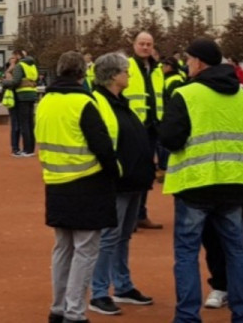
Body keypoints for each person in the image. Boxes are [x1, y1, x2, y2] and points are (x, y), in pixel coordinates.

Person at [159, 38, 243, 323]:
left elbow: (170, 139)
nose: (186, 64)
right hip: (234, 186)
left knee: (187, 253)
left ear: (198, 62)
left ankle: (187, 316)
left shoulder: (185, 94)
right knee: (236, 250)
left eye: (188, 59)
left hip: (195, 184)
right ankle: (242, 314)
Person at [38, 51, 118, 323]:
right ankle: (74, 311)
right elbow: (102, 144)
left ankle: (58, 307)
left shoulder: (45, 101)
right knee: (85, 250)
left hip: (55, 180)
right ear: (83, 74)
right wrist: (114, 171)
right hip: (86, 180)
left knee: (63, 247)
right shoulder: (83, 102)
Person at [88, 53, 156, 317]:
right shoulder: (99, 102)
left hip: (133, 180)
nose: (129, 75)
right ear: (113, 75)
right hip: (116, 181)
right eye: (125, 71)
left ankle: (123, 285)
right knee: (108, 238)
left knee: (122, 237)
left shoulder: (120, 102)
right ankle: (99, 292)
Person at [125, 32, 164, 230]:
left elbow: (160, 96)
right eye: (142, 44)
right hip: (132, 127)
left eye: (149, 44)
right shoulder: (127, 67)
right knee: (133, 172)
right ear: (134, 45)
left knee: (147, 172)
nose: (145, 47)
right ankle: (130, 217)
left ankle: (140, 214)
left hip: (152, 127)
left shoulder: (157, 69)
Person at [2, 50, 38, 157]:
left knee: (24, 124)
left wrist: (4, 82)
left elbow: (16, 81)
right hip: (32, 94)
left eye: (14, 56)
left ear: (18, 56)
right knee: (30, 123)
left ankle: (26, 149)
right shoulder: (32, 66)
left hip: (22, 95)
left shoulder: (20, 66)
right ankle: (31, 148)